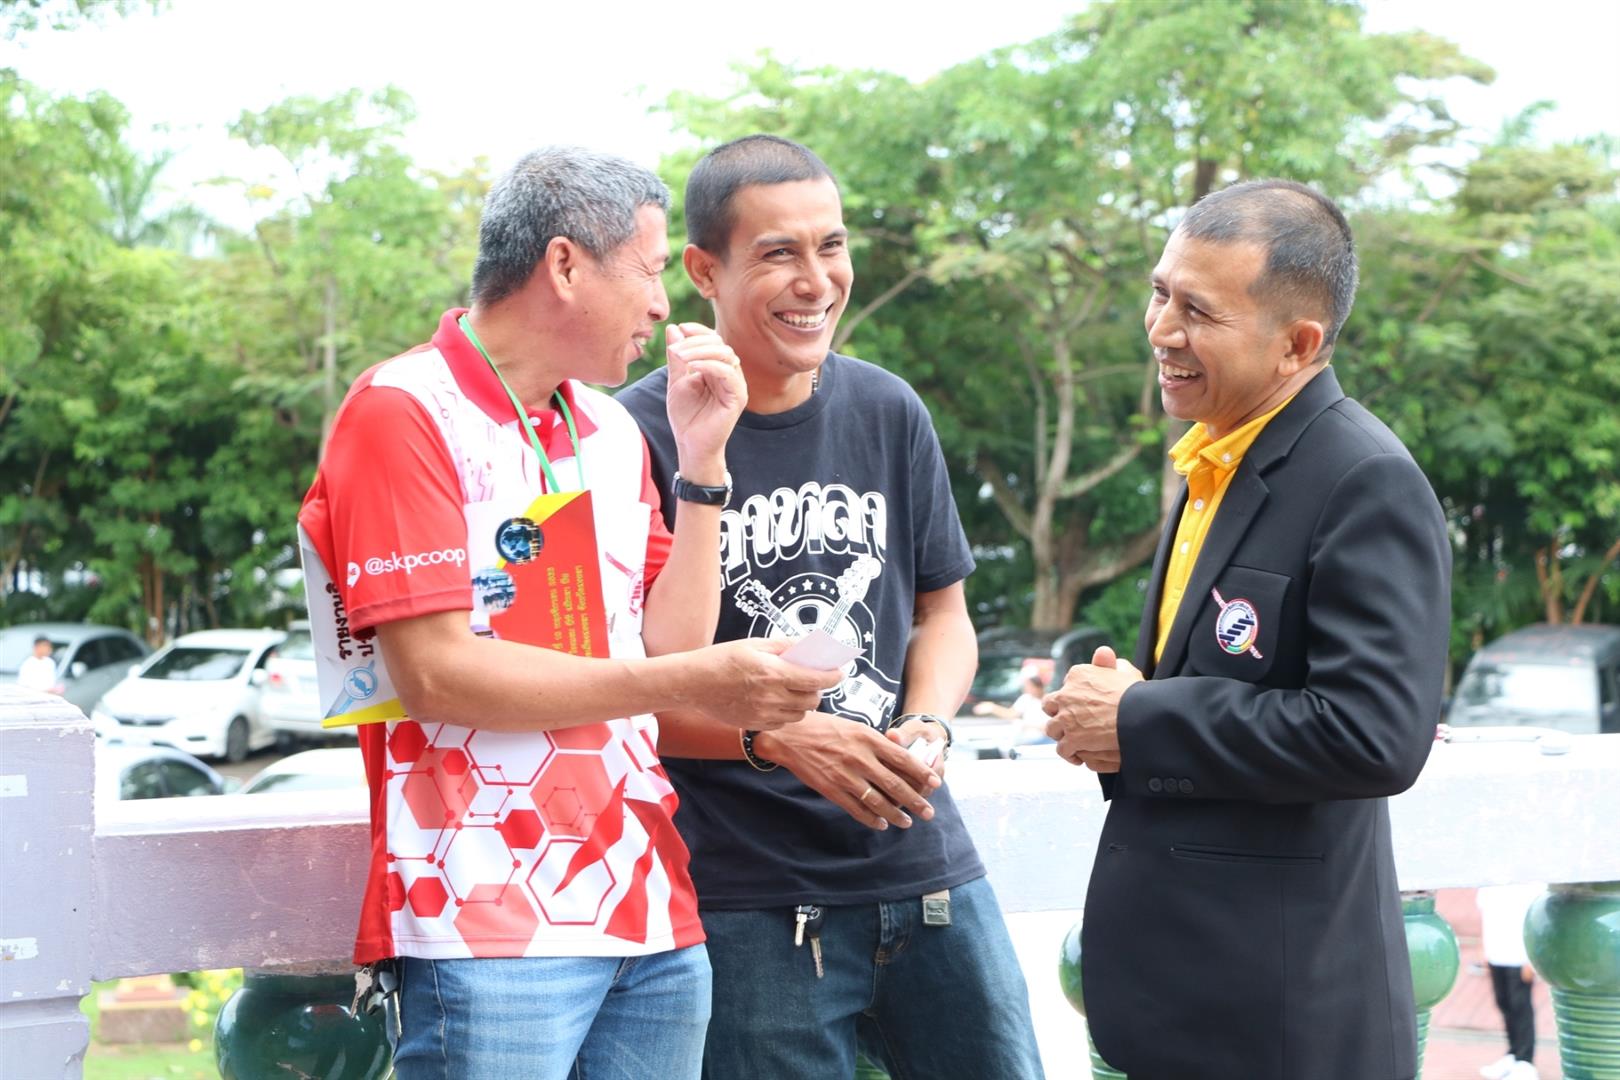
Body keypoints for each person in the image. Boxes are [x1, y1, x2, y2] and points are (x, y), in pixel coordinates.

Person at [295, 146, 842, 1080]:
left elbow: (667, 643)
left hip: (650, 910)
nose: (663, 305)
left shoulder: (612, 428)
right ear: (564, 265)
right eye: (651, 270)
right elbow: (435, 675)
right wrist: (697, 679)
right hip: (479, 920)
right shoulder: (402, 409)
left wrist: (704, 465)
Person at [618, 135, 1044, 1080]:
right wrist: (776, 737)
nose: (816, 281)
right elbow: (623, 692)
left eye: (833, 246)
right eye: (779, 253)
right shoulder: (632, 435)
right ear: (703, 270)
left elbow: (944, 616)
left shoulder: (888, 409)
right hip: (747, 893)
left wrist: (930, 720)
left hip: (923, 863)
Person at [1043, 179, 1452, 1080]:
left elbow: (1375, 736)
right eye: (1160, 293)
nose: (1161, 329)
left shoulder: (1363, 478)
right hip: (1186, 999)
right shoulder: (1218, 458)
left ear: (1297, 344)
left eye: (1198, 311)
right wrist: (1117, 718)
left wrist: (1138, 718)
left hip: (1287, 1018)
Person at [1477, 883, 1544, 1080]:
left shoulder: (1529, 884)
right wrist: (1483, 949)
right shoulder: (1490, 882)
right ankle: (1513, 1054)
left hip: (1519, 956)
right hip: (1496, 952)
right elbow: (1485, 914)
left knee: (1520, 1006)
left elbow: (1537, 919)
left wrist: (1531, 959)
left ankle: (1525, 1061)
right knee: (1504, 1003)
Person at [973, 672, 1052, 745]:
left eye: (1029, 686)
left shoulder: (1049, 701)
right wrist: (992, 707)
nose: (1025, 689)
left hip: (1042, 740)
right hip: (1024, 738)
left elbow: (1048, 728)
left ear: (1038, 686)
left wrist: (1026, 725)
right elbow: (1010, 714)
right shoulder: (1026, 698)